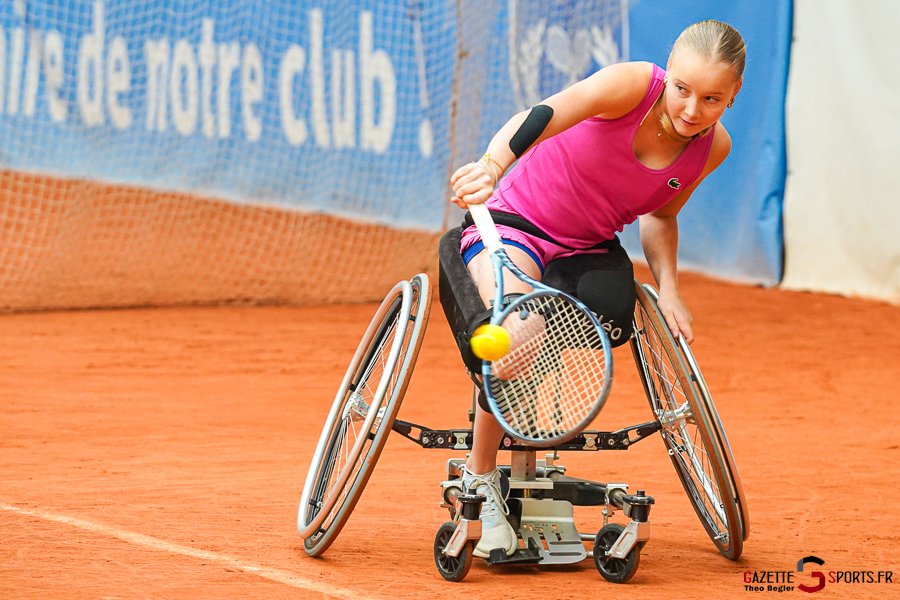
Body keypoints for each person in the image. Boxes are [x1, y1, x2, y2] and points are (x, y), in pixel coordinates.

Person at [445, 20, 745, 558]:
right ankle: (480, 476)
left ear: (732, 96)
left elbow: (661, 216)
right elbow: (544, 115)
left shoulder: (711, 148)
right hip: (517, 222)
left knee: (611, 309)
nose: (691, 111)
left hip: (587, 245)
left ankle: (525, 428)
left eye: (711, 98)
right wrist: (492, 166)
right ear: (668, 74)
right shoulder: (632, 85)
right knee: (519, 331)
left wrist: (670, 289)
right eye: (682, 89)